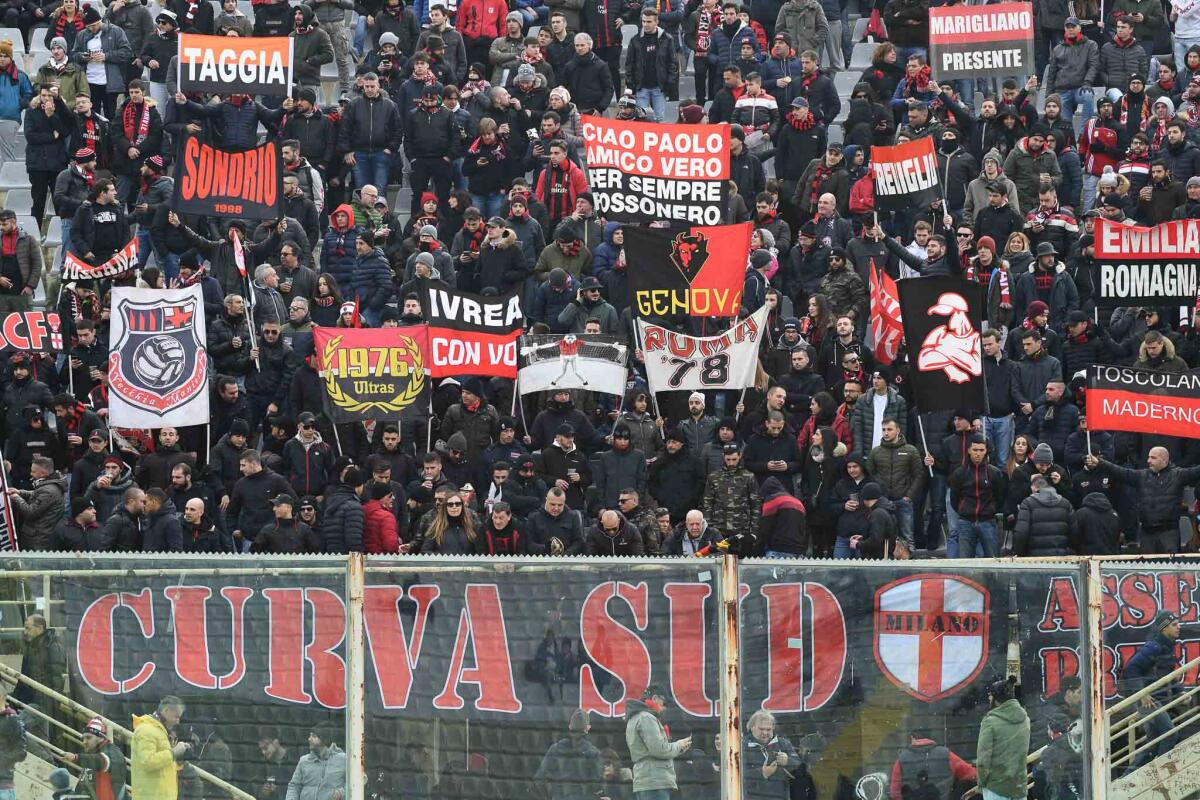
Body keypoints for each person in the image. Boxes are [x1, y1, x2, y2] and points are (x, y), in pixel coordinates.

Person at [1085, 448, 1200, 555]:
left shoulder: (1179, 475)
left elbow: (1197, 472)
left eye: (1153, 458)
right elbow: (1121, 472)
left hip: (1169, 533)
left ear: (1165, 460)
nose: (1148, 461)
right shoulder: (1142, 476)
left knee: (1170, 568)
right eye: (1149, 457)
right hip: (1146, 533)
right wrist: (1100, 463)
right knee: (1146, 567)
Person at [1123, 611, 1183, 768]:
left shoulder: (1166, 646)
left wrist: (1179, 692)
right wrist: (1142, 694)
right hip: (1149, 701)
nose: (1179, 627)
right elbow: (1131, 669)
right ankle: (1160, 774)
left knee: (1154, 744)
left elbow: (1167, 675)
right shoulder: (1154, 647)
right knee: (1170, 734)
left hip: (1154, 700)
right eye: (1174, 624)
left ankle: (1127, 777)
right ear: (1164, 628)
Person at [625, 684, 691, 800]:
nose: (664, 708)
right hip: (655, 782)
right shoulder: (647, 718)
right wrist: (678, 745)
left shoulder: (635, 718)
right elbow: (659, 749)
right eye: (664, 703)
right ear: (655, 698)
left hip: (645, 780)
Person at [976, 679, 1031, 800]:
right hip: (1019, 787)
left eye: (990, 695)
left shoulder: (989, 722)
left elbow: (983, 760)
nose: (989, 699)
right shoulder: (1025, 719)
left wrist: (981, 783)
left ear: (995, 698)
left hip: (996, 788)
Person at [890, 729, 977, 800]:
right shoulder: (946, 754)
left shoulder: (902, 759)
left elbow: (894, 793)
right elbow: (972, 774)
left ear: (912, 737)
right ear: (931, 737)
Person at [132, 696, 190, 800]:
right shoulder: (146, 730)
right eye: (176, 716)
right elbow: (147, 762)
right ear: (167, 710)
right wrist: (174, 752)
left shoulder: (161, 731)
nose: (178, 721)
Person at [58, 716, 127, 800]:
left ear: (101, 737)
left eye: (88, 737)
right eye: (83, 738)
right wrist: (62, 792)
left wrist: (75, 757)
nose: (84, 742)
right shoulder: (90, 758)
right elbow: (82, 794)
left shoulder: (113, 753)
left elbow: (102, 761)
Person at [743, 710, 798, 800]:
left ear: (773, 728)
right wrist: (762, 773)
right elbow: (736, 776)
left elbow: (801, 768)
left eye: (768, 729)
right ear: (752, 727)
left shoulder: (783, 743)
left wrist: (788, 761)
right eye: (761, 729)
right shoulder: (741, 746)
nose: (765, 733)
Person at [285, 726, 347, 800]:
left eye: (314, 736)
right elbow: (294, 786)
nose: (309, 739)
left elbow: (356, 781)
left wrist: (342, 793)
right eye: (310, 736)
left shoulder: (343, 759)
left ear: (324, 739)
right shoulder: (304, 761)